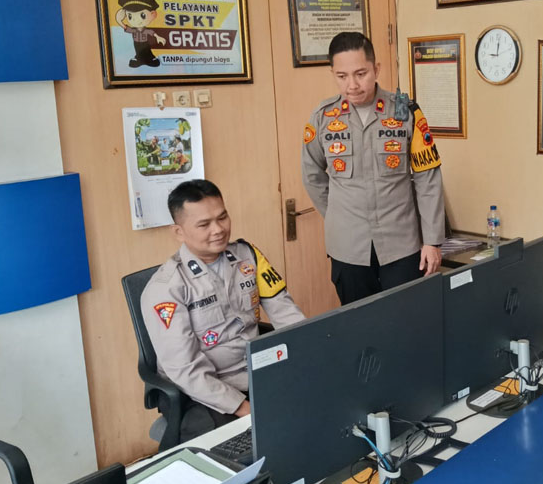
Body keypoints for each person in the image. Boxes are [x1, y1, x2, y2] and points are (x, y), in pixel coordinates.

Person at [140, 179, 305, 441]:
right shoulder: (166, 289)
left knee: (315, 406)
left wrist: (313, 354)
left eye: (222, 217)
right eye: (204, 224)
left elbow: (286, 313)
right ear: (179, 232)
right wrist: (243, 407)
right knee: (243, 444)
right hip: (201, 391)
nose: (218, 230)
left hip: (256, 371)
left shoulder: (248, 256)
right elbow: (184, 369)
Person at [301, 32, 445, 305]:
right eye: (342, 76)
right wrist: (338, 215)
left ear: (376, 69)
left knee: (406, 319)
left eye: (361, 73)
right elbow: (312, 175)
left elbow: (428, 178)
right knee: (359, 323)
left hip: (401, 245)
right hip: (348, 247)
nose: (352, 85)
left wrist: (432, 241)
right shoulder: (323, 117)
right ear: (333, 74)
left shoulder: (406, 112)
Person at [115, 0, 166, 68]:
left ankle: (150, 59)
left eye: (142, 15)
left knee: (147, 52)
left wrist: (158, 37)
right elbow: (125, 27)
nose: (135, 20)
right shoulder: (133, 30)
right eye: (130, 16)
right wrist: (119, 20)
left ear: (153, 14)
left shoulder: (146, 30)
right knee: (138, 52)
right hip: (137, 44)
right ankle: (139, 60)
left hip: (145, 43)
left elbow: (152, 33)